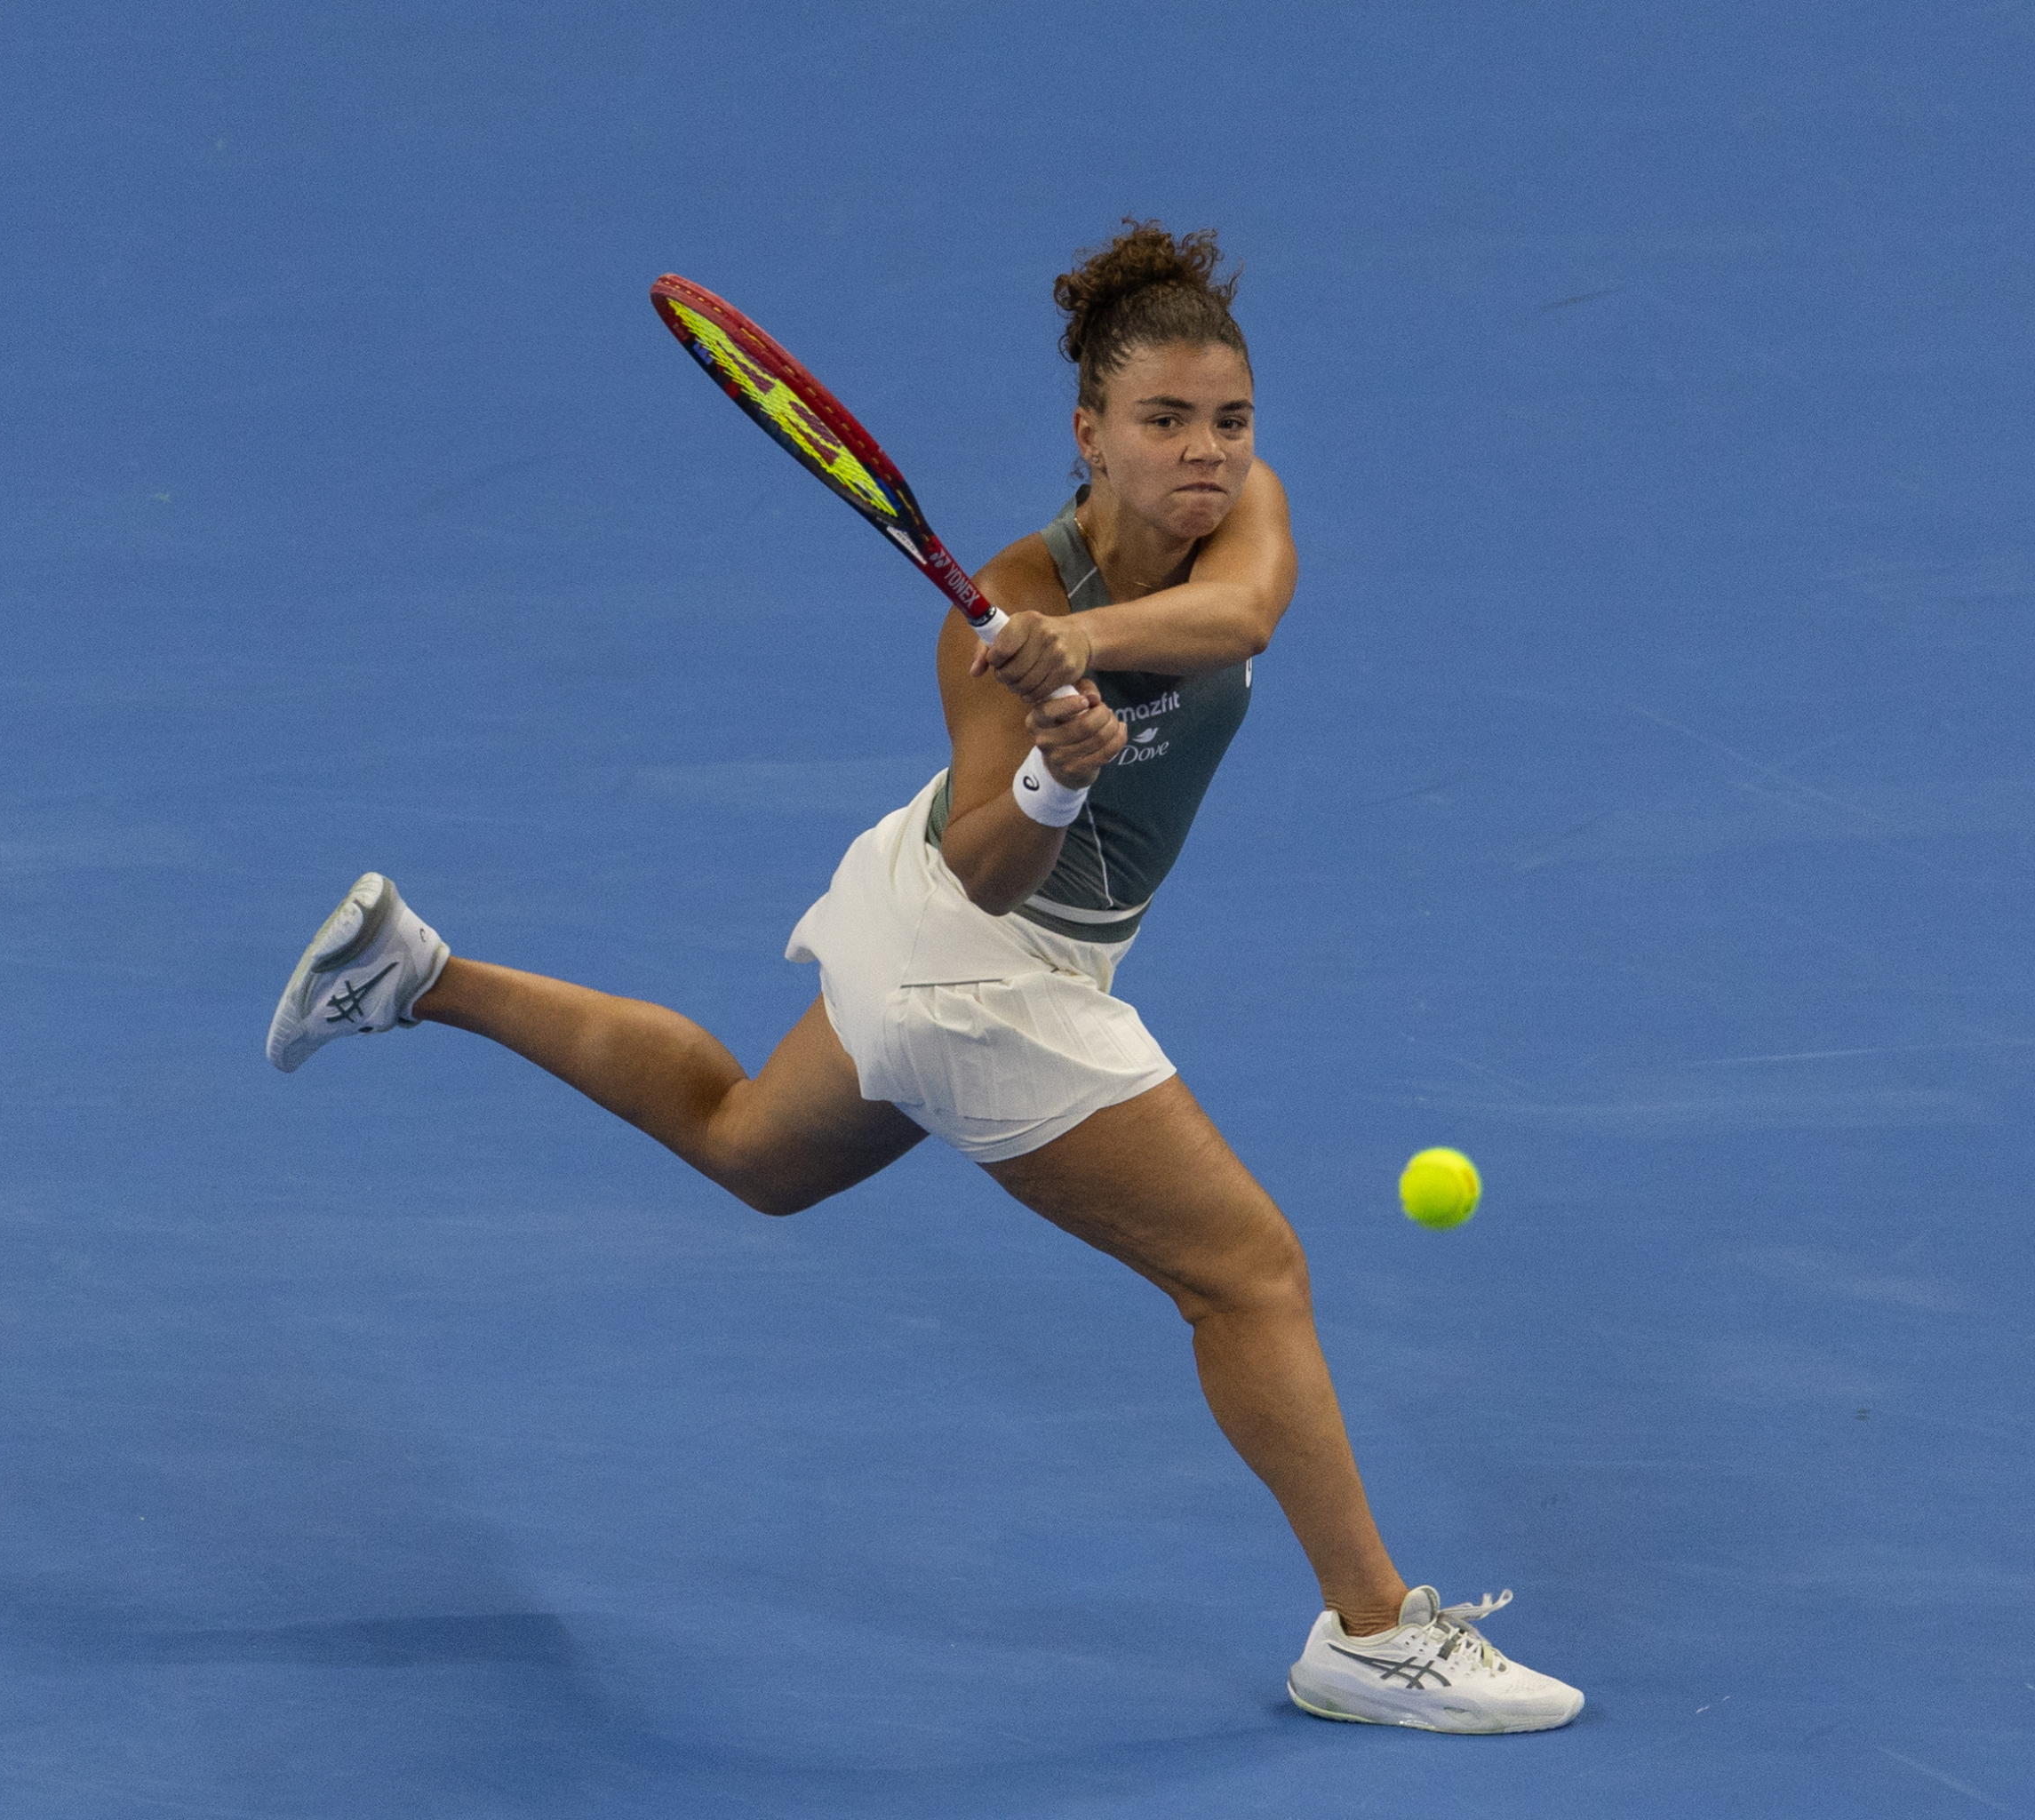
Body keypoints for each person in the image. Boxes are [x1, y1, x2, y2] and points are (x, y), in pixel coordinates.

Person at [263, 221, 1582, 1734]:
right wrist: (1053, 773)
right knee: (1246, 1273)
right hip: (977, 962)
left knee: (751, 1149)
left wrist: (1077, 647)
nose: (1206, 453)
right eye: (1163, 422)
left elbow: (1247, 614)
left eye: (1228, 419)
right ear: (1088, 434)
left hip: (948, 934)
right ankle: (1370, 1632)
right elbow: (987, 873)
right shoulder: (994, 617)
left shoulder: (1218, 526)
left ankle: (418, 972)